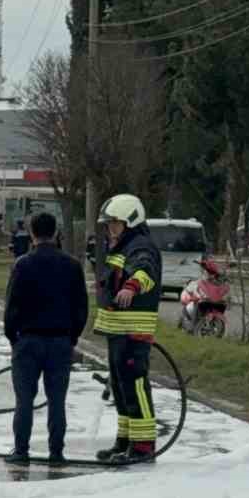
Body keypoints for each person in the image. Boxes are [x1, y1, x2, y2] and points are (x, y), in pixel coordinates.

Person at [1, 212, 88, 464]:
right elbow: (81, 307)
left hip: (27, 341)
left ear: (31, 234)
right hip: (60, 341)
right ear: (57, 233)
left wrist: (13, 338)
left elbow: (11, 308)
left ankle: (21, 451)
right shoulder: (72, 266)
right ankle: (56, 453)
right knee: (57, 401)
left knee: (24, 400)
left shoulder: (22, 265)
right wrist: (72, 337)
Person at [94, 193, 163, 465]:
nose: (110, 229)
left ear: (131, 221)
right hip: (118, 331)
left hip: (133, 332)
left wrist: (131, 286)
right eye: (109, 224)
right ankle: (124, 442)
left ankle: (144, 447)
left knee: (135, 387)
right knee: (122, 390)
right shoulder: (122, 246)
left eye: (115, 223)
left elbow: (144, 271)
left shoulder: (140, 246)